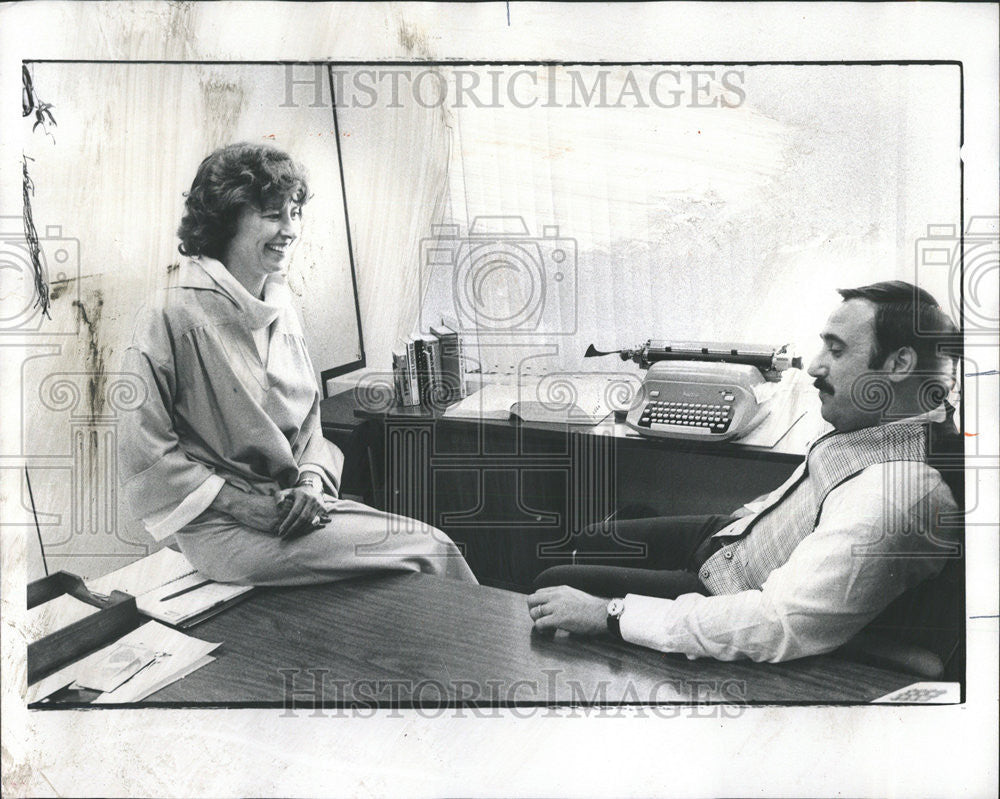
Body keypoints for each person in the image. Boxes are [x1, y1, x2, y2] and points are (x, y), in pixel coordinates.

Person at [528, 281, 962, 665]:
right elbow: (806, 490)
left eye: (837, 349)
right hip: (735, 539)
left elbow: (777, 622)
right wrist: (747, 517)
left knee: (554, 582)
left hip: (730, 589)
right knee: (588, 537)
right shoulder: (883, 424)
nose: (814, 366)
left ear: (899, 364)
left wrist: (610, 614)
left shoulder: (895, 497)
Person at [119, 142, 476, 586]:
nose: (290, 229)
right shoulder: (169, 314)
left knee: (418, 553)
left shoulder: (281, 304)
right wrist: (241, 503)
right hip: (223, 528)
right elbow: (144, 450)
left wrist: (309, 484)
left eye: (296, 213)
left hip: (288, 511)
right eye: (273, 215)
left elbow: (309, 427)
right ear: (227, 218)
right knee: (431, 548)